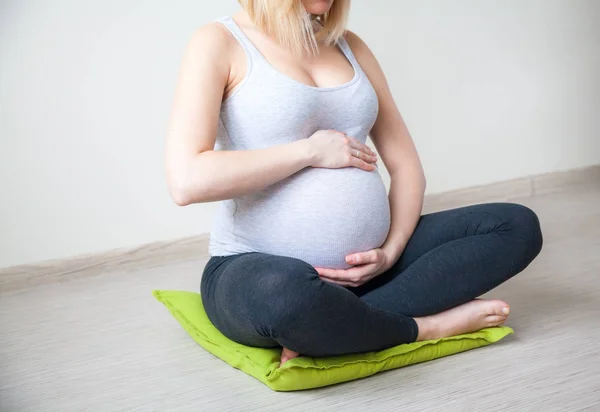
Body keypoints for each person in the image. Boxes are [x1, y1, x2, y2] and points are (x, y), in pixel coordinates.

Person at [165, 0, 543, 367]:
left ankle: (338, 324)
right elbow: (187, 180)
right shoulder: (219, 41)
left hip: (370, 271)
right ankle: (423, 328)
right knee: (287, 297)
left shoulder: (350, 45)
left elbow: (407, 166)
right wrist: (309, 152)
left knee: (516, 226)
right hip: (254, 266)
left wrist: (390, 252)